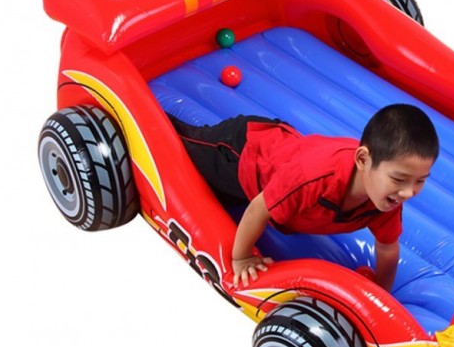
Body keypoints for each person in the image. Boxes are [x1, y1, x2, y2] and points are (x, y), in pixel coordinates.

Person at [167, 104, 439, 290]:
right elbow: (259, 209)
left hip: (281, 158)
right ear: (363, 160)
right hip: (242, 152)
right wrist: (242, 258)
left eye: (420, 181)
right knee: (181, 145)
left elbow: (387, 248)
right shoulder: (313, 177)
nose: (408, 192)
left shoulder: (388, 198)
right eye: (399, 179)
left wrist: (381, 292)